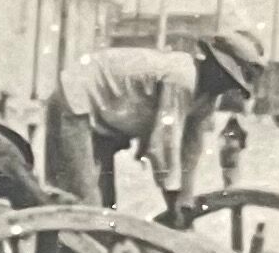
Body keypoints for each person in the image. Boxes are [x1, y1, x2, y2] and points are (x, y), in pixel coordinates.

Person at [44, 27, 265, 220]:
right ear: (215, 66)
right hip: (77, 99)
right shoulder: (182, 78)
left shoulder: (208, 97)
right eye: (227, 78)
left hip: (105, 117)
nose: (227, 88)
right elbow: (165, 145)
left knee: (107, 208)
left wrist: (185, 202)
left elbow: (191, 149)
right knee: (83, 201)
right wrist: (172, 202)